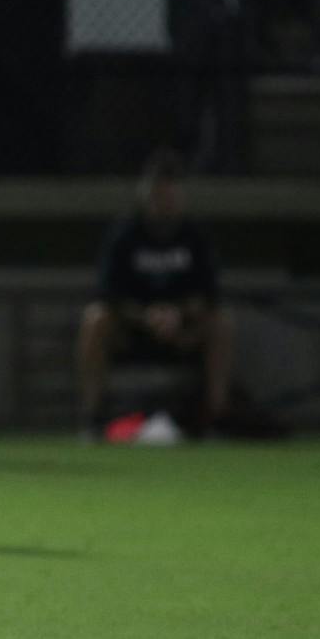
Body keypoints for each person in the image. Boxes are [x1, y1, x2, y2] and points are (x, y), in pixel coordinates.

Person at [78, 150, 235, 436]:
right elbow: (107, 293)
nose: (164, 203)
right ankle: (93, 416)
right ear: (146, 196)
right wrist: (146, 316)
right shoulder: (125, 235)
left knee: (221, 324)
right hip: (133, 331)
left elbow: (209, 294)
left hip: (182, 333)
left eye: (170, 196)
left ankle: (217, 417)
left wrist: (178, 315)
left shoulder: (194, 237)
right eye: (158, 196)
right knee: (95, 319)